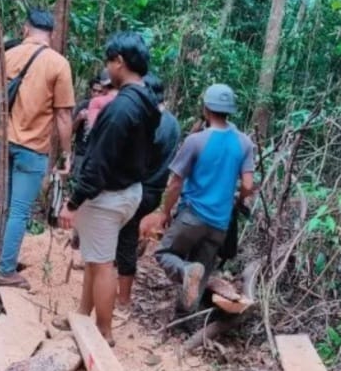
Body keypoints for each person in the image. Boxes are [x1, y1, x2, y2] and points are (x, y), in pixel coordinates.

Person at [57, 31, 161, 345]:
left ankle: (104, 331)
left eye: (109, 63)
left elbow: (98, 163)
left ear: (120, 62)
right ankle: (82, 316)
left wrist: (73, 203)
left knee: (102, 264)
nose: (107, 70)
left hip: (108, 195)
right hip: (129, 190)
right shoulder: (147, 102)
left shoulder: (120, 110)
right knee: (95, 257)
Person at [153, 84, 255, 313]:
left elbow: (176, 183)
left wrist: (165, 212)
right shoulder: (244, 143)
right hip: (220, 222)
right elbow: (248, 186)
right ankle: (185, 321)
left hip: (192, 215)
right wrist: (238, 200)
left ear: (206, 108)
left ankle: (186, 271)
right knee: (203, 269)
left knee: (164, 253)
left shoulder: (196, 141)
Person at [0, 8, 75, 288]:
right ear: (51, 33)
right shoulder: (58, 64)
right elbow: (64, 116)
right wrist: (66, 153)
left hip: (1, 141)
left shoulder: (9, 55)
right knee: (17, 211)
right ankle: (4, 269)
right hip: (32, 148)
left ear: (26, 28)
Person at [115, 73, 181, 312]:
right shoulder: (173, 122)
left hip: (139, 187)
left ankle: (123, 298)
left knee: (125, 240)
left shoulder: (151, 122)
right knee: (126, 236)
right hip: (155, 189)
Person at [71, 76, 105, 175]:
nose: (96, 94)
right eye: (94, 91)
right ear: (90, 91)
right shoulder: (83, 106)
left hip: (97, 155)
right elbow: (70, 131)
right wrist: (78, 118)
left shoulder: (108, 108)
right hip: (81, 153)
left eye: (100, 92)